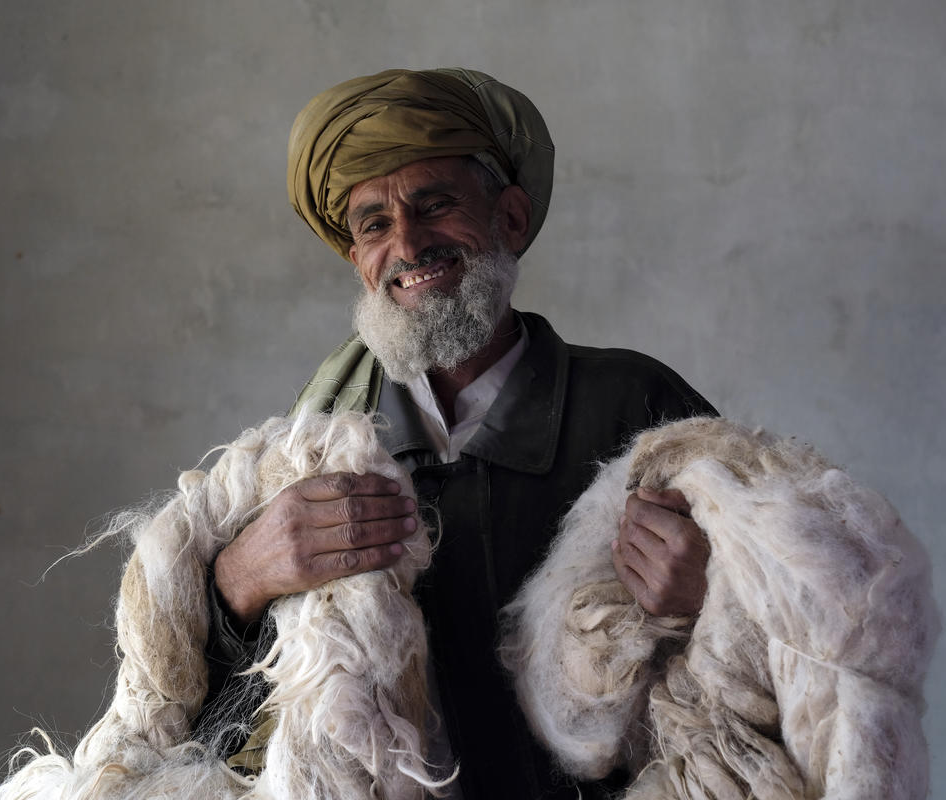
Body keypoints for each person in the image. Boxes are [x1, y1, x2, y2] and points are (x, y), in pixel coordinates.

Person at [201, 68, 716, 800]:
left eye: (434, 204)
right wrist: (240, 583)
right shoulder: (304, 447)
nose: (408, 244)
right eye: (373, 224)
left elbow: (802, 648)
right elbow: (202, 727)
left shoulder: (638, 405)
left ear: (509, 217)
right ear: (357, 259)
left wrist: (709, 593)